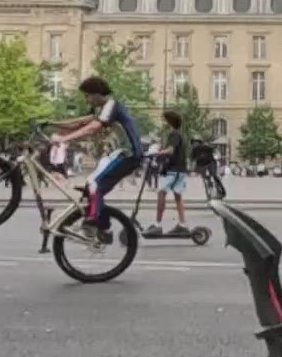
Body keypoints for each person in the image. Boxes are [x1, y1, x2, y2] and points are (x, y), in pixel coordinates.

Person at [49, 75, 142, 240]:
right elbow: (79, 123)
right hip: (119, 154)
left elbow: (92, 128)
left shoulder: (112, 104)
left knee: (95, 185)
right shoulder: (102, 109)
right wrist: (50, 123)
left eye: (87, 95)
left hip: (129, 154)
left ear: (97, 93)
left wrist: (63, 139)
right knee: (90, 189)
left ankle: (94, 222)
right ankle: (104, 229)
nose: (86, 100)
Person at [146, 110, 194, 238]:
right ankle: (182, 224)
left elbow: (171, 150)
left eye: (165, 120)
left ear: (170, 121)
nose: (164, 122)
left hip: (173, 170)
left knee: (162, 193)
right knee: (178, 197)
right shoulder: (180, 135)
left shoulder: (173, 134)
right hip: (179, 170)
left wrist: (158, 152)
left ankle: (157, 224)